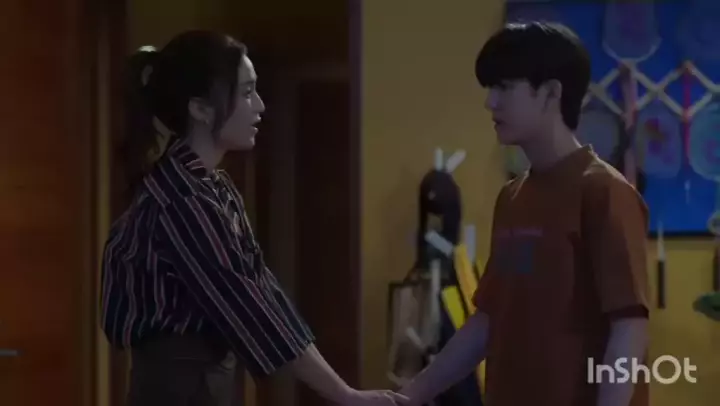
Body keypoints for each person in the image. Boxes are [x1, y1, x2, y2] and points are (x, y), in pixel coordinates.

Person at [100, 30, 408, 406]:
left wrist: (346, 393)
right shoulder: (181, 200)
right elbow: (248, 305)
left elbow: (262, 289)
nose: (259, 106)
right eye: (246, 93)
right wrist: (345, 395)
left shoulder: (213, 189)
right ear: (200, 108)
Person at [398, 22, 650, 406]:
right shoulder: (511, 198)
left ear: (550, 92)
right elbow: (487, 321)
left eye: (504, 87)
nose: (490, 103)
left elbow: (629, 326)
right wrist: (407, 397)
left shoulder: (604, 192)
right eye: (490, 88)